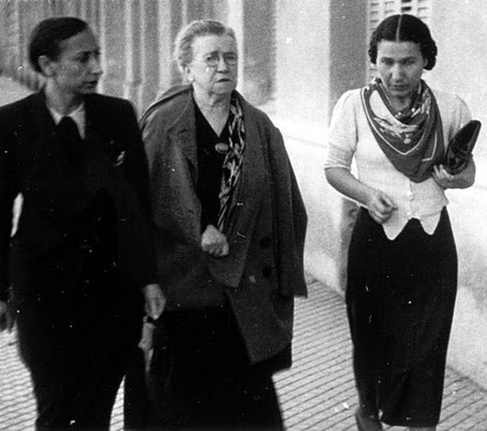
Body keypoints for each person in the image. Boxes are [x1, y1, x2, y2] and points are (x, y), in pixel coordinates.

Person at [0, 17, 165, 430]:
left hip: (110, 292)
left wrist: (148, 279)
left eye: (97, 56)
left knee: (97, 407)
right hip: (42, 293)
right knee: (55, 405)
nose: (97, 68)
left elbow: (136, 206)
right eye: (83, 59)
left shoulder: (118, 115)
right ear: (47, 65)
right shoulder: (10, 122)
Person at [139, 18, 307, 430]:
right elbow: (137, 207)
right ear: (187, 68)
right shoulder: (163, 124)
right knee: (183, 410)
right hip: (183, 290)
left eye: (230, 56)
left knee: (250, 413)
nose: (222, 66)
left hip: (242, 294)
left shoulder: (259, 127)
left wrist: (281, 286)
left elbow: (291, 209)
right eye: (210, 58)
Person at [324, 14, 476, 431]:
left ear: (426, 59)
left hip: (431, 243)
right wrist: (367, 195)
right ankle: (368, 413)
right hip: (375, 240)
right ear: (373, 61)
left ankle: (420, 423)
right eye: (386, 62)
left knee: (426, 348)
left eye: (407, 62)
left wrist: (453, 178)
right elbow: (334, 168)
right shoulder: (353, 105)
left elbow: (468, 172)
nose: (396, 73)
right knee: (373, 341)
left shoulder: (451, 107)